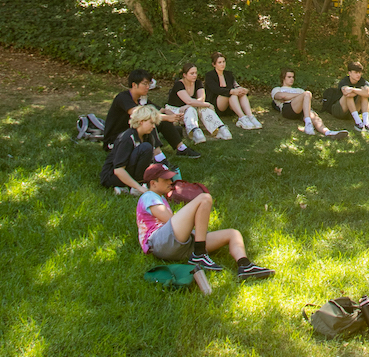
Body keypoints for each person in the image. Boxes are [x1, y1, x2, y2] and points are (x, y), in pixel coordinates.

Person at [132, 175, 274, 281]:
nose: (170, 182)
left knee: (233, 234)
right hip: (159, 243)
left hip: (177, 245)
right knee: (204, 198)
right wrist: (192, 216)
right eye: (165, 179)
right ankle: (200, 254)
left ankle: (245, 265)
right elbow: (170, 220)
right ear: (153, 183)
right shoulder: (148, 196)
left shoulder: (160, 198)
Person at [102, 69, 190, 155]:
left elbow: (158, 109)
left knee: (162, 120)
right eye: (144, 84)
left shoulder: (141, 99)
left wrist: (170, 114)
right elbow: (139, 114)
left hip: (132, 135)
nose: (147, 87)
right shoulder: (123, 98)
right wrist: (167, 117)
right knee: (147, 121)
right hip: (116, 140)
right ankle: (158, 156)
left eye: (148, 84)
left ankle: (181, 148)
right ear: (134, 85)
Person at [101, 101, 163, 190]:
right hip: (112, 176)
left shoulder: (148, 137)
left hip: (130, 171)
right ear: (141, 121)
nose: (153, 127)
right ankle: (134, 185)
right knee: (146, 147)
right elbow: (118, 170)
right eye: (151, 123)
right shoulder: (126, 138)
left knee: (147, 148)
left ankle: (134, 184)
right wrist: (138, 187)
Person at [168, 61, 231, 142]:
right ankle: (194, 131)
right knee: (196, 107)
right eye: (192, 73)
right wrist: (207, 104)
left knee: (202, 108)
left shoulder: (198, 83)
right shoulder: (179, 84)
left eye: (195, 73)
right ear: (184, 75)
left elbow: (201, 99)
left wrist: (191, 105)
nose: (195, 75)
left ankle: (220, 128)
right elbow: (188, 101)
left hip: (189, 108)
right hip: (176, 110)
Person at [270, 67, 342, 136]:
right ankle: (308, 124)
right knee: (307, 93)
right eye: (289, 77)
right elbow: (281, 96)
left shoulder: (299, 90)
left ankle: (327, 132)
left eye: (293, 77)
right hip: (288, 108)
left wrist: (292, 96)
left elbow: (305, 99)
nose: (292, 79)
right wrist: (300, 96)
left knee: (315, 117)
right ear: (283, 78)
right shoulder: (277, 89)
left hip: (302, 110)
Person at [205, 53, 261, 129]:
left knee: (241, 94)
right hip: (217, 105)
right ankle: (242, 118)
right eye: (219, 62)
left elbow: (235, 85)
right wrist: (231, 91)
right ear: (214, 64)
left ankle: (250, 116)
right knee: (232, 94)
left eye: (224, 62)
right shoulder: (209, 75)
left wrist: (242, 89)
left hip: (231, 105)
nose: (222, 64)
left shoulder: (228, 74)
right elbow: (216, 89)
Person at [321, 61, 369, 132]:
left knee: (364, 96)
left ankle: (366, 123)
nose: (358, 75)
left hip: (351, 112)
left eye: (360, 72)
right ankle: (358, 122)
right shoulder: (344, 81)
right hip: (340, 110)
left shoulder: (363, 81)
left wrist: (353, 90)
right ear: (349, 73)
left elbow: (368, 93)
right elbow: (346, 92)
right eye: (356, 72)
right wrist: (359, 91)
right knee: (349, 96)